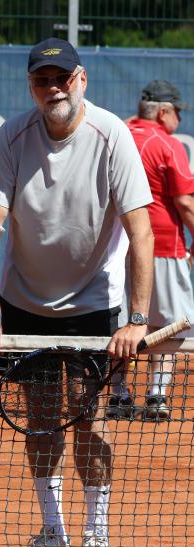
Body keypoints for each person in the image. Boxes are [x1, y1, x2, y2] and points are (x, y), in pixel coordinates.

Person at [0, 37, 154, 547]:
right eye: (42, 80)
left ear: (81, 80)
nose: (53, 88)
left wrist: (137, 320)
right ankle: (53, 534)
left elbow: (140, 233)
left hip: (95, 303)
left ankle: (97, 536)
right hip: (25, 302)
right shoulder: (12, 136)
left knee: (89, 419)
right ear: (31, 85)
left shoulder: (112, 135)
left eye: (62, 78)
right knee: (43, 421)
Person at [107, 80, 194, 421]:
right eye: (177, 113)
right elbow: (185, 203)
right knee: (167, 324)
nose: (179, 120)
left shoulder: (115, 133)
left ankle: (118, 395)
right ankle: (156, 396)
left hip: (115, 246)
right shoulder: (168, 144)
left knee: (118, 321)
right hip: (163, 245)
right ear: (163, 112)